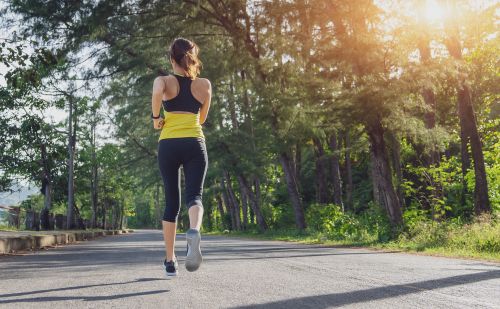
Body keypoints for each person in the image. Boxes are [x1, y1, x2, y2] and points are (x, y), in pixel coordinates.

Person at [151, 38, 212, 277]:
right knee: (194, 196)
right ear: (192, 58)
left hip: (168, 144)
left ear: (171, 59)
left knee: (171, 203)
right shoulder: (205, 84)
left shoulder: (163, 81)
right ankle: (194, 230)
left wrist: (156, 117)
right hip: (195, 143)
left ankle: (170, 260)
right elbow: (202, 119)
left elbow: (157, 93)